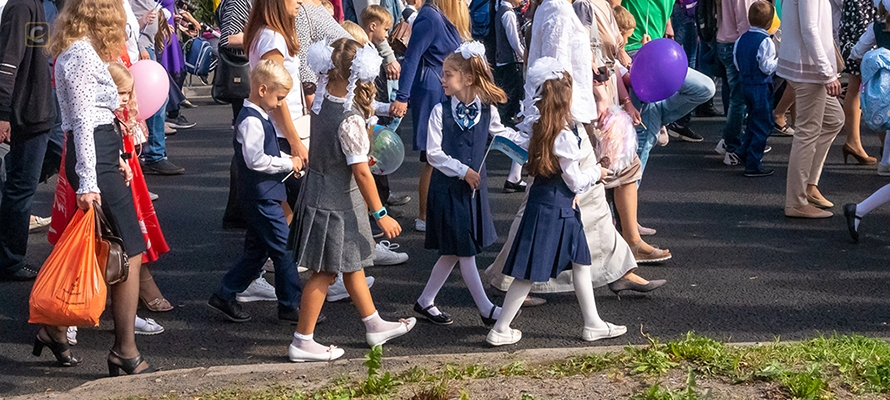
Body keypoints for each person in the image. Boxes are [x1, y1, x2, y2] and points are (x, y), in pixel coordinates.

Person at [288, 39, 416, 362]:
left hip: (319, 191)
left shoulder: (321, 99)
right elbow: (361, 173)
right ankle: (302, 340)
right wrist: (381, 213)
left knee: (350, 264)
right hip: (335, 202)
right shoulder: (350, 119)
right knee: (324, 272)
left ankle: (373, 324)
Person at [46, 0, 152, 374]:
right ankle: (124, 349)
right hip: (94, 159)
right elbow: (84, 122)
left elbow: (93, 119)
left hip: (102, 156)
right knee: (130, 248)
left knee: (102, 248)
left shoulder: (76, 53)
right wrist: (90, 180)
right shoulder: (80, 57)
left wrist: (117, 158)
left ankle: (56, 327)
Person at [489, 58, 626, 346]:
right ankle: (501, 329)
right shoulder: (563, 134)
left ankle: (593, 323)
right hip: (556, 208)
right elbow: (574, 181)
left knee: (580, 262)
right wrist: (598, 172)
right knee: (528, 272)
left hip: (553, 204)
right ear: (566, 98)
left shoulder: (540, 126)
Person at [413, 42, 528, 326]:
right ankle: (487, 310)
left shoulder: (487, 110)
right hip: (448, 190)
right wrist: (463, 170)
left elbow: (502, 136)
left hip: (473, 192)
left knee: (454, 251)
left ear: (467, 79)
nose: (443, 79)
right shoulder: (439, 111)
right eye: (444, 73)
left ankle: (425, 301)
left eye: (449, 74)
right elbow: (434, 153)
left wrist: (533, 141)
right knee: (465, 251)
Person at [207, 59, 307, 324]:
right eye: (279, 98)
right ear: (263, 90)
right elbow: (255, 160)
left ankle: (225, 294)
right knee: (285, 250)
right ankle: (290, 305)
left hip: (264, 194)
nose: (278, 104)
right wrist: (288, 162)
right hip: (261, 196)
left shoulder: (258, 115)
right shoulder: (252, 120)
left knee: (257, 252)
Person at [389, 0, 466, 232]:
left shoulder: (438, 15)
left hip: (439, 86)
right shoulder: (431, 17)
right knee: (432, 155)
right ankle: (424, 215)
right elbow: (412, 57)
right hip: (432, 88)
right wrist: (402, 96)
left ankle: (432, 213)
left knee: (439, 153)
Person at [0, 0, 56, 281]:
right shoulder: (22, 6)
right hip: (28, 114)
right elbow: (8, 62)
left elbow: (35, 53)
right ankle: (9, 261)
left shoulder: (33, 5)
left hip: (40, 111)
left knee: (21, 184)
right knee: (20, 190)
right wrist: (3, 112)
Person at [777, 0, 844, 219]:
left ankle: (808, 185)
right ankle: (796, 201)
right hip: (810, 71)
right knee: (807, 133)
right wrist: (827, 73)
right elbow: (810, 29)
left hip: (806, 67)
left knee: (834, 119)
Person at [732, 1, 777, 177]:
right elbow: (766, 67)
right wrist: (779, 62)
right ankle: (753, 163)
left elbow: (736, 62)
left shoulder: (741, 39)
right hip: (760, 85)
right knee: (762, 124)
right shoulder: (766, 41)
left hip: (745, 83)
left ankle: (743, 151)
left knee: (752, 120)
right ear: (769, 22)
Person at [839, 0, 878, 165]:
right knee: (875, 87)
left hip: (858, 30)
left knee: (855, 87)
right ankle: (855, 142)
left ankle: (853, 141)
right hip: (864, 30)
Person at [494, 0, 527, 193]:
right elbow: (515, 41)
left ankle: (515, 174)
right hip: (511, 63)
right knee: (512, 107)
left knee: (510, 106)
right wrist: (525, 56)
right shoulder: (507, 13)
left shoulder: (503, 11)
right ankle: (505, 138)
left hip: (504, 62)